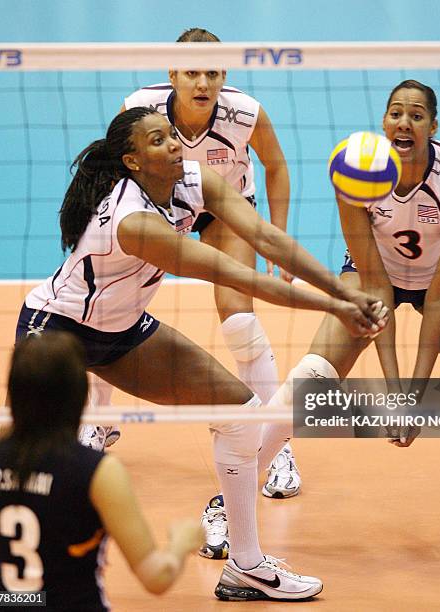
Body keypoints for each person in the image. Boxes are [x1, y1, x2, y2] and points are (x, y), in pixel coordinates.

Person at [11, 107, 387, 600]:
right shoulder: (135, 222)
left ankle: (246, 566)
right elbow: (239, 275)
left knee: (241, 414)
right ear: (133, 161)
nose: (174, 145)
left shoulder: (193, 180)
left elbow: (266, 238)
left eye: (170, 136)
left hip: (121, 332)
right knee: (28, 461)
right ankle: (17, 576)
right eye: (158, 141)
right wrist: (336, 303)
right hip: (57, 331)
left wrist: (347, 292)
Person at [271, 79, 440, 546]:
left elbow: (439, 297)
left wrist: (416, 397)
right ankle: (239, 486)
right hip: (375, 274)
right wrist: (394, 394)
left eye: (416, 115)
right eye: (396, 112)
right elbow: (375, 287)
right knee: (313, 374)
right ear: (383, 122)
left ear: (432, 127)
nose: (404, 122)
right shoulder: (354, 171)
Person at [120, 27, 302, 507]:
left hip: (225, 207)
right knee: (111, 308)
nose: (202, 83)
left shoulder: (246, 113)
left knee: (238, 314)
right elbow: (116, 166)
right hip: (158, 206)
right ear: (172, 74)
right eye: (192, 72)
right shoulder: (140, 108)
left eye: (213, 72)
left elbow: (277, 166)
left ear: (225, 74)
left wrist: (275, 236)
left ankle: (275, 444)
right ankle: (97, 425)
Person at [0, 332, 205, 610]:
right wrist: (181, 543)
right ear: (78, 395)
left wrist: (28, 597)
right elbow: (156, 577)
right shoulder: (96, 471)